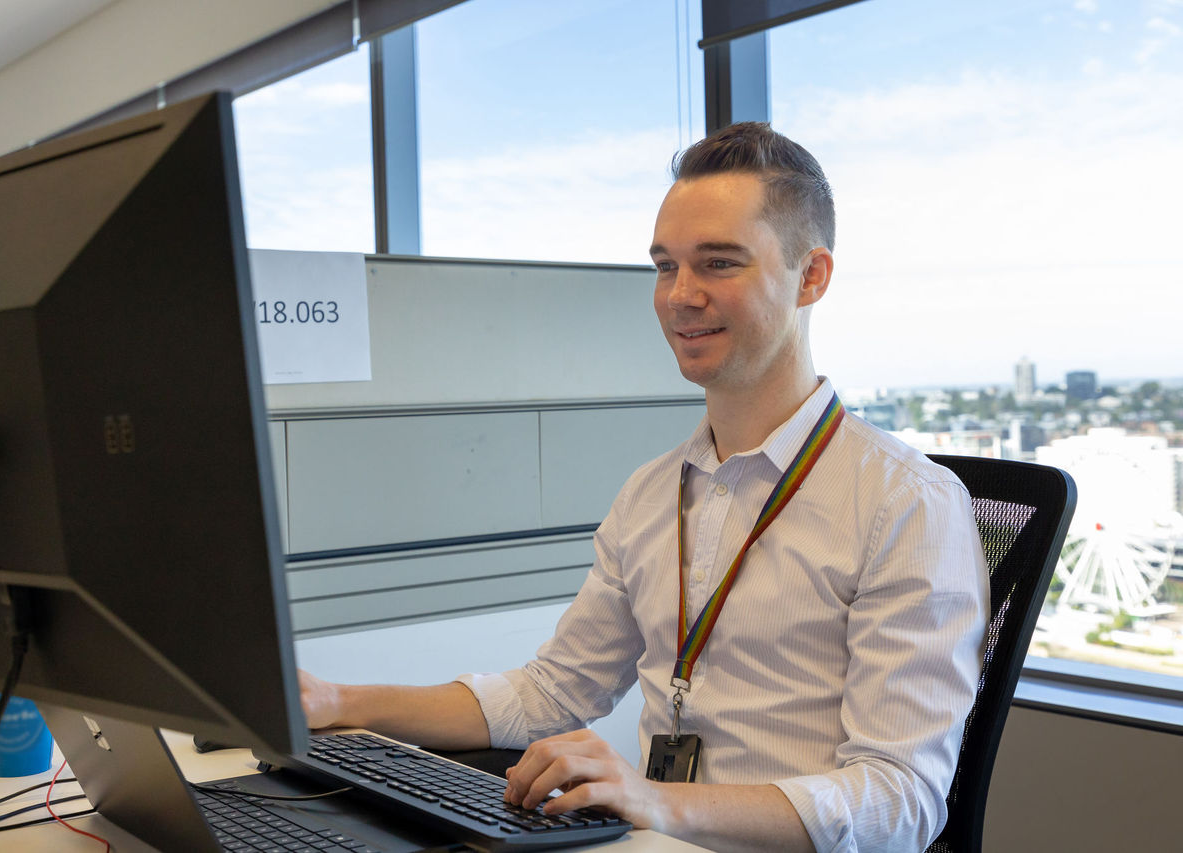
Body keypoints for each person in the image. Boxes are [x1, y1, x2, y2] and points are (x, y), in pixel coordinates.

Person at [299, 122, 989, 852]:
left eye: (719, 263)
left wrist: (657, 800)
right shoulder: (655, 493)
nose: (680, 296)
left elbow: (899, 798)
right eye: (666, 266)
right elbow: (551, 693)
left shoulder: (906, 503)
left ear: (811, 276)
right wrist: (334, 703)